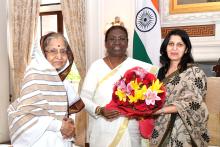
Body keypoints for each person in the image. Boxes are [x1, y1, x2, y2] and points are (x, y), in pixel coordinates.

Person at [80, 17, 157, 147]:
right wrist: (100, 110)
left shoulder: (139, 67)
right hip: (101, 130)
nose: (117, 42)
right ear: (105, 43)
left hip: (129, 129)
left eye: (122, 39)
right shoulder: (96, 66)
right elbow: (83, 99)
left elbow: (155, 91)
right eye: (112, 39)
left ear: (127, 43)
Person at [8, 32, 84, 147]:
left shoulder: (62, 79)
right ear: (43, 53)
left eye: (63, 51)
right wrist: (60, 126)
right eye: (53, 51)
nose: (59, 56)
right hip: (40, 140)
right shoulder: (34, 76)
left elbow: (62, 113)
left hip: (61, 140)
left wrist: (69, 125)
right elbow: (26, 116)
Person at [150, 29, 210, 147]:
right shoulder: (160, 72)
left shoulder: (194, 72)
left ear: (186, 49)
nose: (174, 48)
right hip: (160, 126)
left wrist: (161, 110)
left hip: (184, 131)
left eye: (180, 45)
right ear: (165, 47)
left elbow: (194, 102)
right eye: (171, 44)